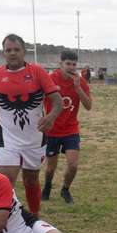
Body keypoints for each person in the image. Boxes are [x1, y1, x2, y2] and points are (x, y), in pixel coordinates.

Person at [0, 34, 62, 216]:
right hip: (7, 138)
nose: (12, 53)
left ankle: (34, 216)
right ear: (3, 53)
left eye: (16, 49)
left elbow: (57, 101)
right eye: (8, 50)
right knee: (4, 182)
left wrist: (51, 117)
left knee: (31, 180)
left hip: (35, 138)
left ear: (24, 52)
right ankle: (3, 220)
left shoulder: (38, 72)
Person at [42, 50, 91, 204]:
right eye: (68, 64)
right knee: (50, 167)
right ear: (60, 64)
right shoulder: (50, 79)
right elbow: (38, 101)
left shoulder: (80, 81)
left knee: (73, 165)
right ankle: (47, 186)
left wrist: (78, 88)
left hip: (71, 130)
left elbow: (88, 106)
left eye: (74, 64)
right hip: (52, 130)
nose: (71, 67)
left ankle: (65, 189)